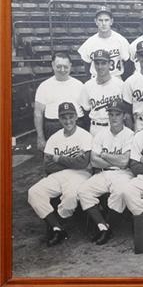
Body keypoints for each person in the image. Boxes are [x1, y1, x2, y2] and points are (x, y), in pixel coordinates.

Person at [28, 102, 92, 246]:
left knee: (69, 197)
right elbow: (47, 165)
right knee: (34, 192)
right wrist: (72, 160)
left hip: (80, 174)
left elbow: (83, 163)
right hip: (57, 174)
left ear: (76, 116)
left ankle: (60, 219)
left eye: (70, 116)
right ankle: (57, 228)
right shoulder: (54, 138)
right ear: (59, 119)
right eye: (64, 117)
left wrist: (60, 159)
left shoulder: (84, 136)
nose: (68, 120)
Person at [76, 100, 134, 245]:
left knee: (120, 192)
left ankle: (108, 227)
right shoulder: (101, 134)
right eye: (111, 114)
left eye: (117, 114)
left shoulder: (130, 135)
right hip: (103, 172)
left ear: (124, 116)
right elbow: (94, 161)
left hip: (124, 173)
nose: (114, 117)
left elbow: (124, 162)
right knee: (83, 190)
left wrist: (105, 155)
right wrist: (115, 160)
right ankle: (103, 227)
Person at [34, 52, 84, 150]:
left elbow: (86, 109)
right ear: (52, 65)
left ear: (70, 66)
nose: (62, 70)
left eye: (65, 67)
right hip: (53, 126)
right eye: (58, 66)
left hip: (77, 125)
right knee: (54, 161)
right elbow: (38, 113)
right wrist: (40, 137)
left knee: (77, 160)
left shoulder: (79, 85)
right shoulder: (44, 86)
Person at [78, 5, 132, 79]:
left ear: (111, 21)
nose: (103, 23)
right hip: (96, 80)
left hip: (115, 78)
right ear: (96, 22)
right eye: (100, 20)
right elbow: (87, 67)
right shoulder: (89, 43)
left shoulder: (121, 40)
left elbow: (128, 64)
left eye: (106, 20)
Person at [79, 49, 124, 136]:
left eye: (103, 63)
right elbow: (86, 112)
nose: (100, 67)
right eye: (97, 63)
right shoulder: (87, 86)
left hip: (116, 127)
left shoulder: (120, 84)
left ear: (110, 64)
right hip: (96, 127)